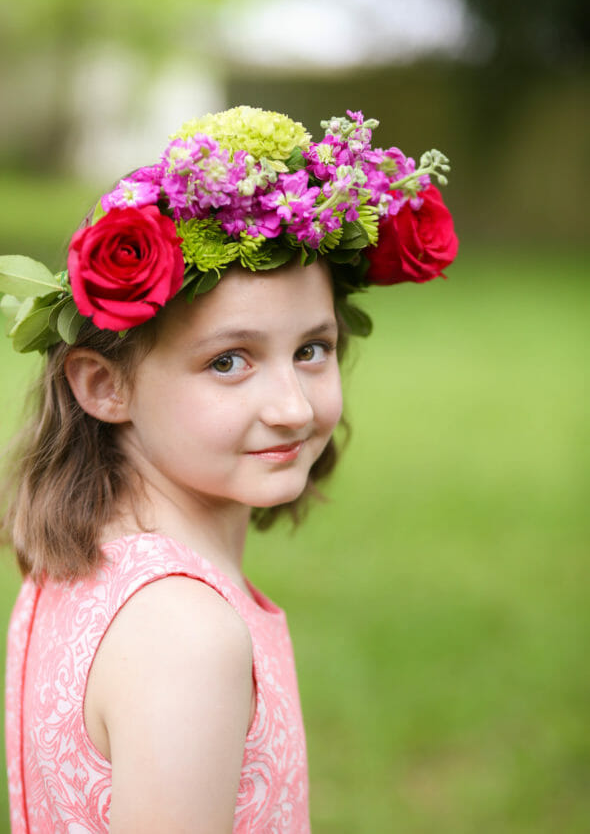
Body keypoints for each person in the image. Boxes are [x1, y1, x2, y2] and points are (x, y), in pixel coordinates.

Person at [0, 106, 458, 832]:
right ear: (103, 385)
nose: (291, 406)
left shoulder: (81, 564)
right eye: (228, 360)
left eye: (312, 347)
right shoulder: (185, 635)